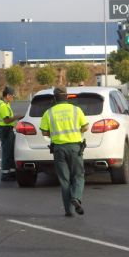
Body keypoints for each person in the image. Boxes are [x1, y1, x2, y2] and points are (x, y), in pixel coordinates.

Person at [40, 87, 89, 217]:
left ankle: (68, 211)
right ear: (67, 97)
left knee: (64, 180)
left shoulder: (49, 112)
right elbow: (85, 127)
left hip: (58, 149)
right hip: (75, 148)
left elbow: (44, 132)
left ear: (55, 98)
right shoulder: (76, 110)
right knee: (78, 176)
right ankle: (76, 198)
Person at [0, 86, 23, 181]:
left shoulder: (5, 104)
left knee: (11, 152)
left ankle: (12, 173)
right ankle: (5, 174)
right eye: (12, 96)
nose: (13, 98)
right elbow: (6, 120)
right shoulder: (3, 105)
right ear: (7, 95)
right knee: (7, 153)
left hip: (7, 130)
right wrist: (17, 117)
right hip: (5, 130)